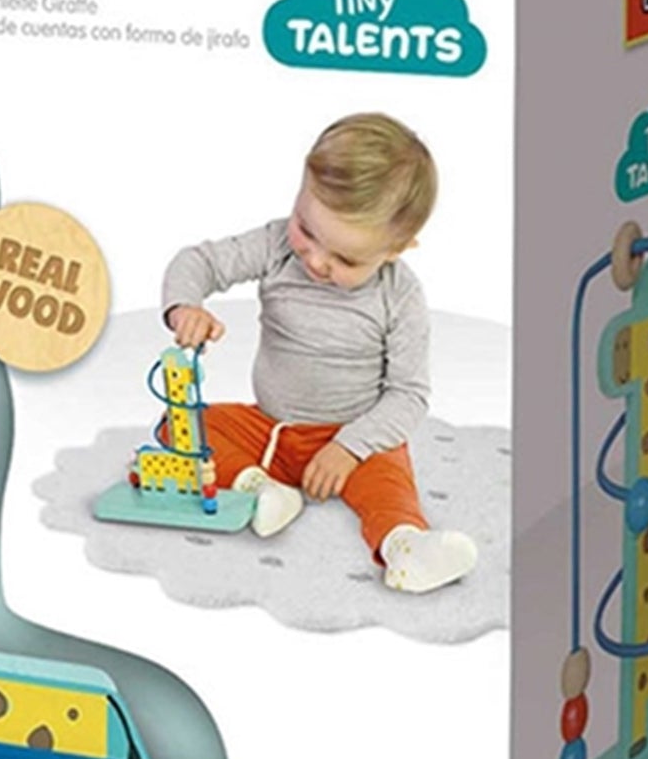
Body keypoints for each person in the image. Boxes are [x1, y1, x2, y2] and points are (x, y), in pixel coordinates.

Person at [161, 113, 477, 593]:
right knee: (180, 424)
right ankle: (259, 488)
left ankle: (405, 546)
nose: (315, 260)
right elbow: (197, 262)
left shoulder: (400, 296)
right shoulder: (275, 247)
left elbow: (408, 395)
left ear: (396, 249)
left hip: (352, 436)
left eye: (345, 258)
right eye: (306, 229)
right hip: (269, 429)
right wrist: (186, 307)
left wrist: (349, 448)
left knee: (387, 479)